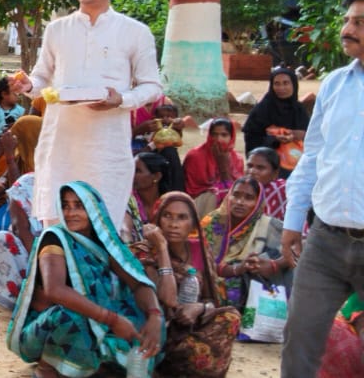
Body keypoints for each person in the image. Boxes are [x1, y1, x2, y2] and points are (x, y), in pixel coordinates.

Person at [10, 0, 163, 225]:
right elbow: (42, 78)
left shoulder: (134, 32)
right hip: (62, 142)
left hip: (105, 145)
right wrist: (28, 85)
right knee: (57, 222)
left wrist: (122, 99)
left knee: (103, 222)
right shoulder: (58, 29)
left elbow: (152, 85)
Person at [279, 0, 364, 376]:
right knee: (300, 342)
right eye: (347, 20)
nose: (348, 29)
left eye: (359, 23)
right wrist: (294, 220)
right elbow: (312, 155)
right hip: (325, 239)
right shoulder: (334, 84)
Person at [6, 181, 164, 378]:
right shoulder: (54, 238)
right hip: (47, 328)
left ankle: (115, 366)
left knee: (143, 314)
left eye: (78, 205)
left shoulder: (105, 240)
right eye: (65, 205)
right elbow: (54, 290)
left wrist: (155, 315)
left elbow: (137, 282)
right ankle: (48, 368)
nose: (71, 212)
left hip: (96, 318)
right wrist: (112, 320)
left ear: (94, 209)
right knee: (70, 317)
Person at [136, 192, 240, 377]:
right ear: (157, 219)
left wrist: (199, 307)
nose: (173, 224)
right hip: (160, 329)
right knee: (197, 353)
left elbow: (212, 299)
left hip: (191, 324)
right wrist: (162, 248)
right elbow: (168, 299)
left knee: (231, 317)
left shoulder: (199, 248)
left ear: (192, 223)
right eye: (167, 216)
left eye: (182, 217)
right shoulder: (145, 251)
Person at [199, 176, 292, 307]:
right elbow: (200, 259)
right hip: (209, 276)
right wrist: (237, 268)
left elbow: (298, 249)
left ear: (258, 201)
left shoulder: (268, 225)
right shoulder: (211, 222)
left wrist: (274, 265)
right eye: (235, 195)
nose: (240, 202)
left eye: (248, 198)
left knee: (236, 285)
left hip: (248, 281)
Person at [0, 173, 41, 311]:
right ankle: (20, 301)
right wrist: (42, 264)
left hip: (64, 256)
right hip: (33, 253)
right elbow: (20, 228)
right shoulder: (28, 182)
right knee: (2, 240)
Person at [241, 67, 308, 160]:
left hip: (296, 161)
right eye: (277, 84)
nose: (281, 88)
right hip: (267, 162)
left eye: (286, 83)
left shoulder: (299, 110)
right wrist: (274, 139)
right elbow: (251, 139)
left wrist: (300, 135)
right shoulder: (262, 110)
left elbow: (311, 137)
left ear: (294, 85)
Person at [183, 118, 244, 214]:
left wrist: (223, 164)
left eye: (224, 135)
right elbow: (192, 190)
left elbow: (235, 190)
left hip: (227, 202)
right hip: (199, 203)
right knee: (215, 195)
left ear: (231, 137)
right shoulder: (195, 156)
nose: (218, 139)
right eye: (214, 134)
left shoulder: (237, 159)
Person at [124, 151, 173, 241]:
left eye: (137, 171)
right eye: (132, 169)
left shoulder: (170, 204)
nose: (132, 174)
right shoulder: (127, 201)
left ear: (156, 176)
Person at [245, 147, 287, 220]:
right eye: (249, 166)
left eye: (260, 168)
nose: (252, 171)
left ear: (275, 173)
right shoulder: (242, 187)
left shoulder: (282, 190)